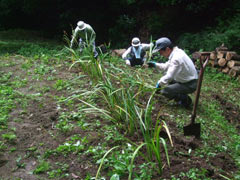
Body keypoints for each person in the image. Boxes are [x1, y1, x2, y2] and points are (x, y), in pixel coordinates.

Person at [147, 37, 198, 108]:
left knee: (165, 91)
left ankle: (186, 101)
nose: (160, 54)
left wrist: (159, 83)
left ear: (167, 49)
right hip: (186, 79)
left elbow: (169, 76)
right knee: (167, 80)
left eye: (161, 52)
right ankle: (180, 94)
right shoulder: (176, 53)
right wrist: (155, 64)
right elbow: (165, 66)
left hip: (190, 84)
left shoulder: (176, 58)